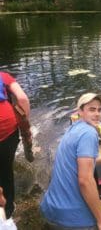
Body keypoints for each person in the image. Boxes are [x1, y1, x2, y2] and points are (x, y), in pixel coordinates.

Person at [40, 93, 101, 230]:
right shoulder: (89, 134)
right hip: (73, 220)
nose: (97, 114)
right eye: (92, 109)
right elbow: (85, 181)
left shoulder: (73, 127)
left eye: (99, 110)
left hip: (50, 208)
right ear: (80, 111)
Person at [0, 71, 31, 220]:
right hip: (6, 129)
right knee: (5, 170)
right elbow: (22, 98)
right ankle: (8, 209)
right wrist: (26, 124)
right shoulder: (3, 76)